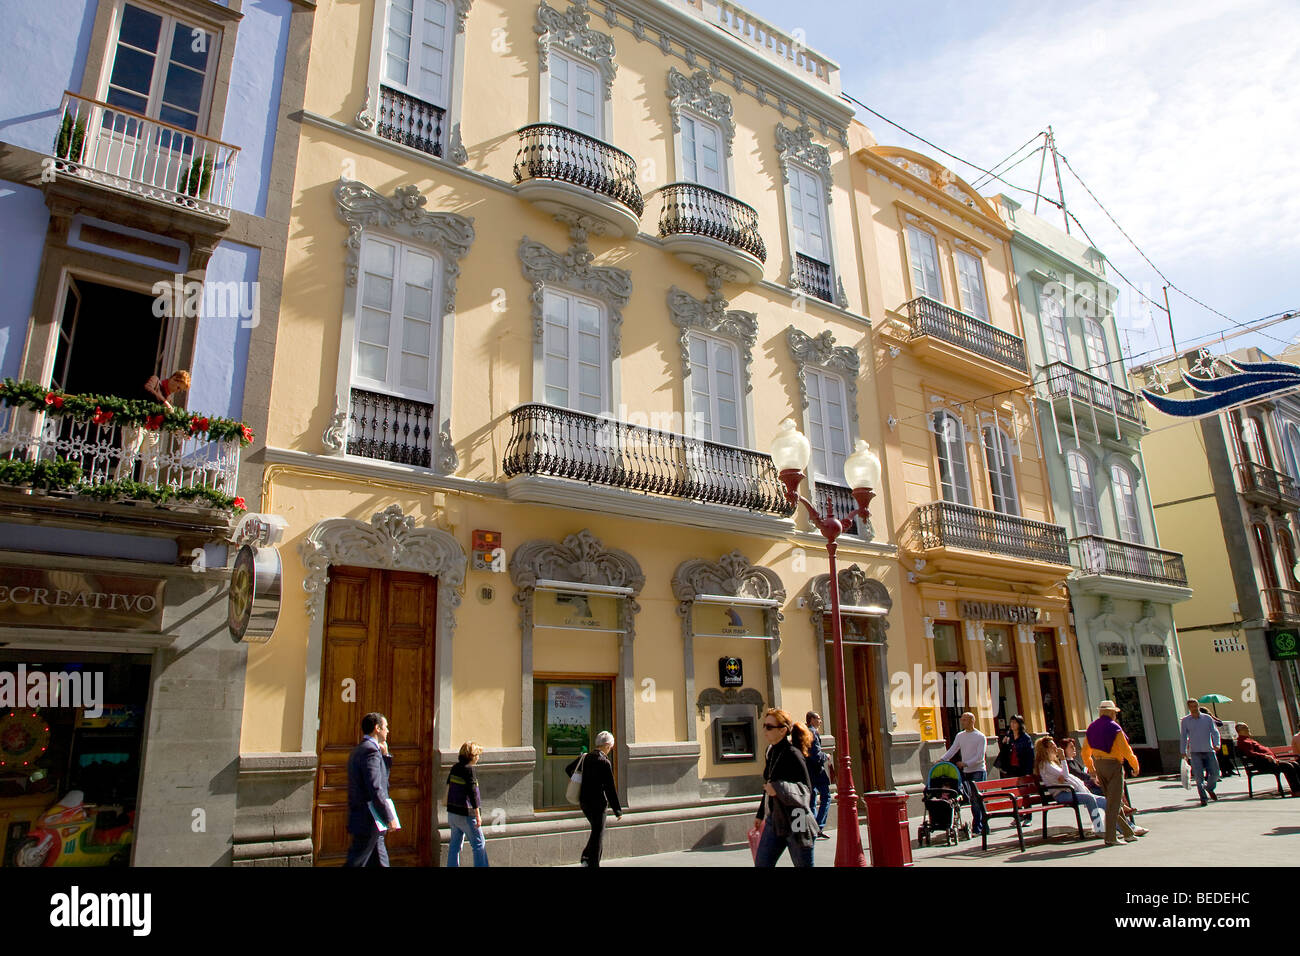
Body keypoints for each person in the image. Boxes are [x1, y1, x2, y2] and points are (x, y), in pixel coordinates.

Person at [753, 707, 819, 867]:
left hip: (797, 818)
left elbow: (806, 790)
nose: (765, 731)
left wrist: (779, 788)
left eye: (769, 727)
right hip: (775, 819)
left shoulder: (793, 754)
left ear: (782, 730)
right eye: (764, 726)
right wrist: (760, 814)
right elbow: (767, 785)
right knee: (762, 863)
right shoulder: (771, 751)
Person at [1082, 700, 1146, 847]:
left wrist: (1091, 767)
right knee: (1114, 803)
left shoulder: (1091, 727)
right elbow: (1126, 749)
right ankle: (1111, 837)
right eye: (1115, 713)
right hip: (1113, 765)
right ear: (1111, 713)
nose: (1115, 715)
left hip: (1098, 764)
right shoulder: (1114, 728)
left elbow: (1085, 751)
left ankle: (1128, 833)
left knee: (1112, 801)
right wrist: (1135, 765)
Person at [116, 370, 191, 482]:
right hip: (138, 424)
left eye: (180, 390)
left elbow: (168, 421)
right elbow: (147, 389)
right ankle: (118, 487)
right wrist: (165, 403)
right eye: (179, 387)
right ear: (174, 378)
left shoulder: (169, 399)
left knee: (152, 462)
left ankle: (148, 491)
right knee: (129, 455)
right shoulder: (156, 382)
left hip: (152, 430)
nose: (177, 391)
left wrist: (179, 430)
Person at [345, 712, 396, 867]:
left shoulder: (361, 749)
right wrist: (389, 816)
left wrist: (385, 756)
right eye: (386, 727)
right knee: (357, 861)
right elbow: (376, 788)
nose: (388, 731)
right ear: (377, 728)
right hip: (369, 819)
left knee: (381, 861)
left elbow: (381, 780)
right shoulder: (370, 751)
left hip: (369, 819)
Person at [565, 731, 621, 867]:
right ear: (606, 745)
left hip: (584, 802)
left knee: (596, 830)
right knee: (598, 833)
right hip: (598, 804)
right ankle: (592, 862)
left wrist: (581, 781)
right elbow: (610, 788)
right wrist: (617, 810)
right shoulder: (604, 762)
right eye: (611, 747)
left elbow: (568, 769)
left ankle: (586, 857)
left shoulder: (585, 757)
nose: (611, 749)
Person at [1034, 737, 1107, 836]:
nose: (1055, 747)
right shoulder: (1045, 764)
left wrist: (1063, 777)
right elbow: (1065, 775)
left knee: (1105, 801)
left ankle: (1124, 828)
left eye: (1054, 744)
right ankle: (1099, 830)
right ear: (1046, 750)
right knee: (1089, 798)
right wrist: (1063, 759)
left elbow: (1064, 776)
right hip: (1061, 794)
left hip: (1069, 791)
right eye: (1052, 746)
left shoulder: (1053, 763)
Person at [937, 711, 988, 836]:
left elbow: (980, 757)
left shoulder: (980, 737)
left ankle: (978, 827)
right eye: (962, 719)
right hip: (967, 772)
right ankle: (983, 825)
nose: (962, 722)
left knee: (977, 800)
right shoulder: (960, 736)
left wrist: (965, 763)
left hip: (978, 771)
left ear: (972, 721)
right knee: (972, 799)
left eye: (965, 719)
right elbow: (953, 749)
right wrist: (942, 759)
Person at [446, 740, 488, 867]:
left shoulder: (455, 767)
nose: (478, 758)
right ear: (472, 756)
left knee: (454, 845)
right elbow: (473, 793)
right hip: (466, 813)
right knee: (479, 844)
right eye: (477, 755)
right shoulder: (470, 770)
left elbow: (448, 786)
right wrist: (477, 815)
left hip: (452, 812)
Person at [1235, 723, 1300, 796]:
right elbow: (1250, 753)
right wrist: (1265, 756)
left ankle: (1298, 788)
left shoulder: (1248, 740)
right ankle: (1296, 791)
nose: (1248, 729)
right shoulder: (1243, 742)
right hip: (1264, 764)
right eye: (1246, 728)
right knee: (1288, 766)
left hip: (1269, 761)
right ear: (1241, 730)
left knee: (1295, 764)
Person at [1180, 698, 1221, 806]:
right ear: (1189, 708)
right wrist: (1183, 750)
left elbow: (1215, 732)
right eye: (1192, 707)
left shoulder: (1207, 718)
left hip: (1209, 749)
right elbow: (1184, 736)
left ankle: (1209, 788)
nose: (1194, 709)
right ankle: (1203, 798)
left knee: (1215, 773)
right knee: (1199, 777)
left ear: (1198, 706)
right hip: (1195, 751)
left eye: (1196, 706)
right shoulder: (1185, 721)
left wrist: (1217, 744)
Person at [805, 711, 831, 838]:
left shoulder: (805, 732)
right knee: (826, 796)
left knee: (812, 799)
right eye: (818, 718)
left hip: (808, 771)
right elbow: (816, 755)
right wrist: (826, 756)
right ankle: (818, 825)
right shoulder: (813, 732)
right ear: (811, 719)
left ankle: (812, 827)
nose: (820, 721)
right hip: (817, 771)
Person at [996, 715, 1035, 779]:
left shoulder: (1025, 738)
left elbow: (1030, 755)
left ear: (1020, 724)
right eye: (1011, 722)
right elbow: (1004, 753)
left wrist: (1029, 771)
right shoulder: (1009, 736)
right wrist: (1004, 743)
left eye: (1015, 722)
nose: (1012, 724)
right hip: (1010, 768)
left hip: (1022, 768)